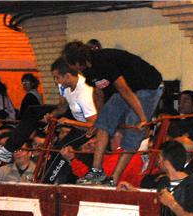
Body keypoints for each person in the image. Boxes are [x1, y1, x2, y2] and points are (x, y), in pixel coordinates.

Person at [62, 40, 163, 186]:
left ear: (77, 62)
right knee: (103, 123)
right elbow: (99, 93)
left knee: (133, 132)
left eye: (71, 65)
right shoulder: (87, 71)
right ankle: (96, 171)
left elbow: (124, 90)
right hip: (128, 88)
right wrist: (100, 119)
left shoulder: (103, 61)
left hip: (148, 86)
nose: (72, 69)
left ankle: (114, 178)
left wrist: (142, 118)